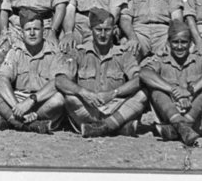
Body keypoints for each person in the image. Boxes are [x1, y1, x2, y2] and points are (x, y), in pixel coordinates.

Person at [55, 8, 147, 138]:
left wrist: (114, 93)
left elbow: (138, 79)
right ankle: (117, 126)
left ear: (114, 30)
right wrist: (84, 92)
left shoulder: (123, 54)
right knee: (70, 98)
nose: (103, 34)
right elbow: (60, 80)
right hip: (89, 109)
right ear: (91, 30)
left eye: (107, 30)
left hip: (115, 106)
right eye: (98, 29)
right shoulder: (78, 53)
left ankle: (103, 127)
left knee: (142, 94)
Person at [140, 19, 202, 146]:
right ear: (168, 43)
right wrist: (173, 90)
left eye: (184, 42)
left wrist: (191, 90)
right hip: (170, 116)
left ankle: (181, 126)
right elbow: (144, 73)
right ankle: (181, 126)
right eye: (175, 42)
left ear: (191, 43)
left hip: (197, 123)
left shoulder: (200, 58)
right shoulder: (161, 60)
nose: (179, 46)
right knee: (155, 89)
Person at [0, 13, 68, 134]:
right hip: (18, 101)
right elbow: (2, 79)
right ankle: (25, 124)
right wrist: (17, 107)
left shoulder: (54, 52)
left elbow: (58, 83)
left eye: (36, 29)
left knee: (59, 99)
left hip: (41, 102)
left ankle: (10, 119)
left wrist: (31, 101)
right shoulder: (16, 50)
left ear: (44, 31)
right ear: (22, 33)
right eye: (28, 30)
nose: (32, 33)